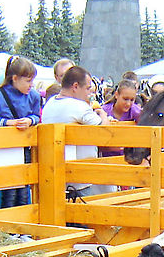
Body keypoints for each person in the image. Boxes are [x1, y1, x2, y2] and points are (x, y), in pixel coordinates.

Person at [41, 65, 115, 197]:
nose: (89, 93)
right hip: (78, 180)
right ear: (75, 86)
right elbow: (104, 130)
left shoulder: (50, 103)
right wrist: (102, 113)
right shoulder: (79, 106)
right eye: (87, 88)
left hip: (52, 175)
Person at [0, 55, 42, 208]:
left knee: (24, 190)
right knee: (8, 190)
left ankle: (23, 227)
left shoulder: (33, 96)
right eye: (28, 81)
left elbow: (37, 115)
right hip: (4, 150)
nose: (31, 85)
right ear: (15, 78)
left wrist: (30, 120)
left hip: (25, 148)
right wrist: (6, 123)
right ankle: (11, 228)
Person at [99, 78, 141, 158]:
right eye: (125, 99)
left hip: (127, 159)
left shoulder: (135, 111)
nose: (128, 103)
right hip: (106, 159)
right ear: (116, 95)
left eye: (132, 100)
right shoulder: (104, 110)